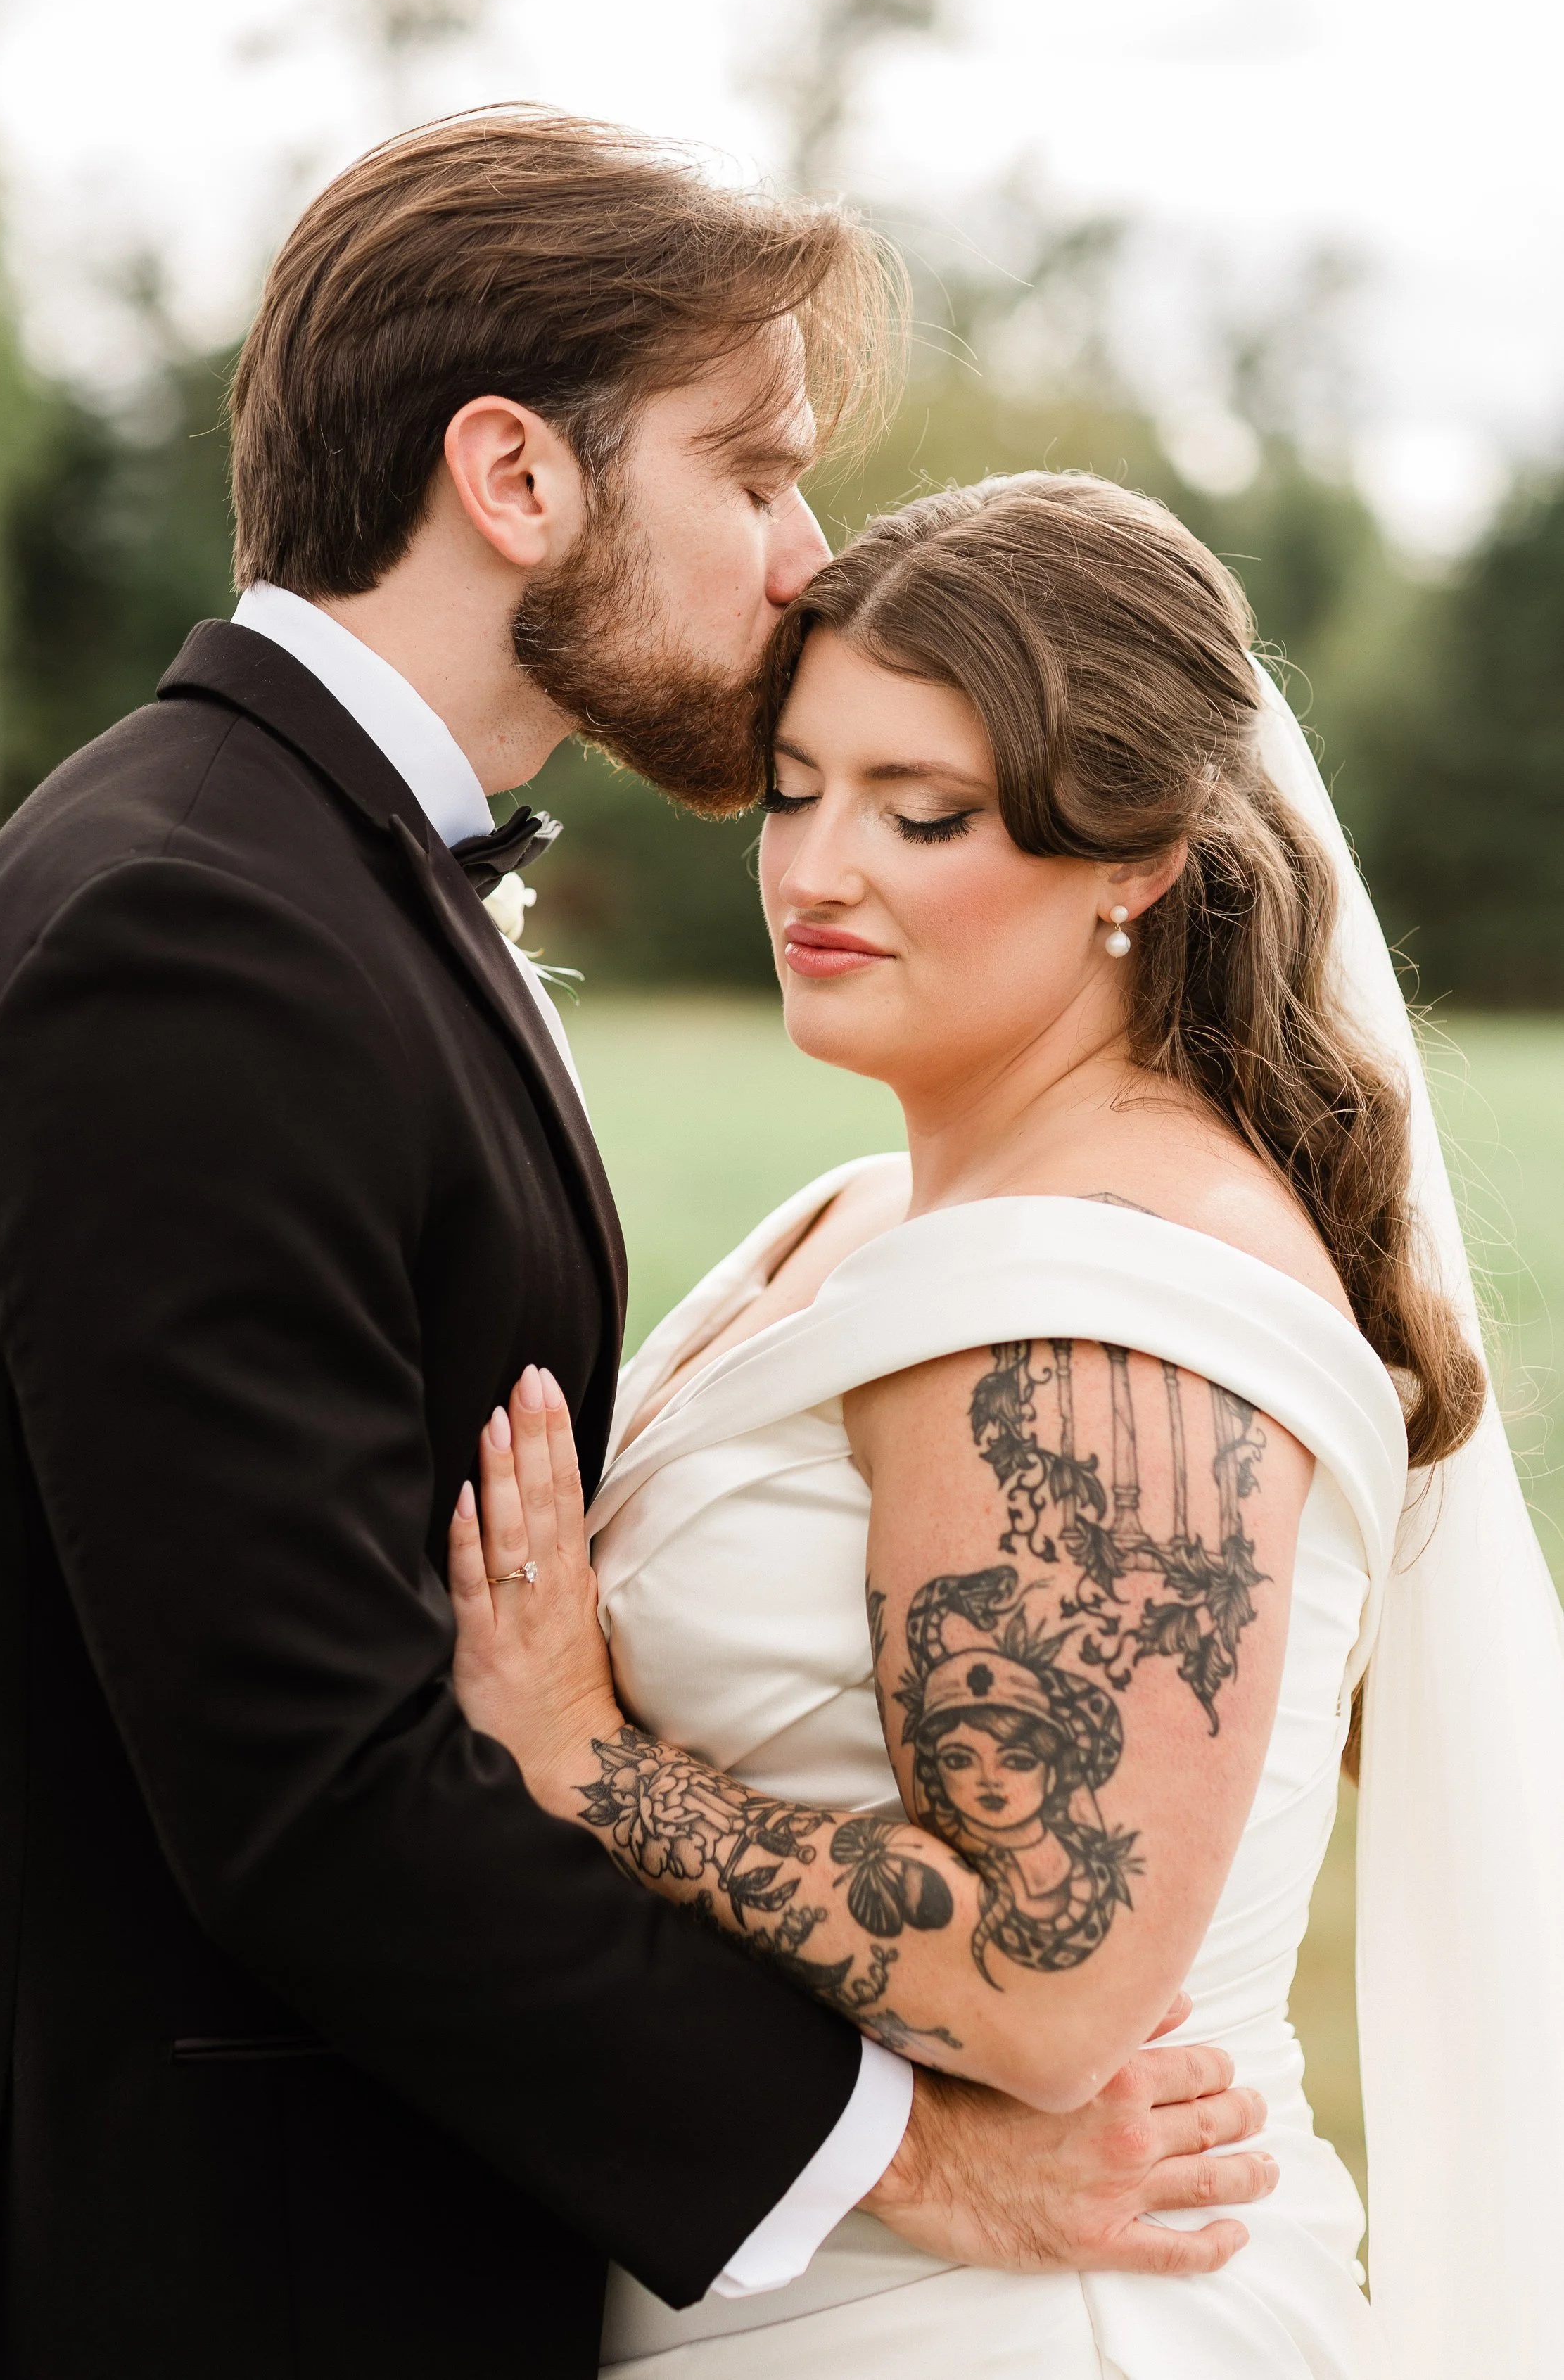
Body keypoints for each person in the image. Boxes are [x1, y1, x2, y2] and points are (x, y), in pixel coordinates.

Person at [0, 126, 1268, 2380]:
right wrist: (917, 2154)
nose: (807, 559)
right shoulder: (191, 928)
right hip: (223, 2287)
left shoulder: (326, 879)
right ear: (512, 472)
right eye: (755, 470)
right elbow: (309, 1788)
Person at [447, 471, 1564, 2378]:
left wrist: (584, 1761)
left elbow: (1046, 1986)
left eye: (923, 809)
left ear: (1130, 852)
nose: (814, 869)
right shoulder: (873, 1213)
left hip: (1023, 2317)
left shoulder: (1106, 1308)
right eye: (794, 787)